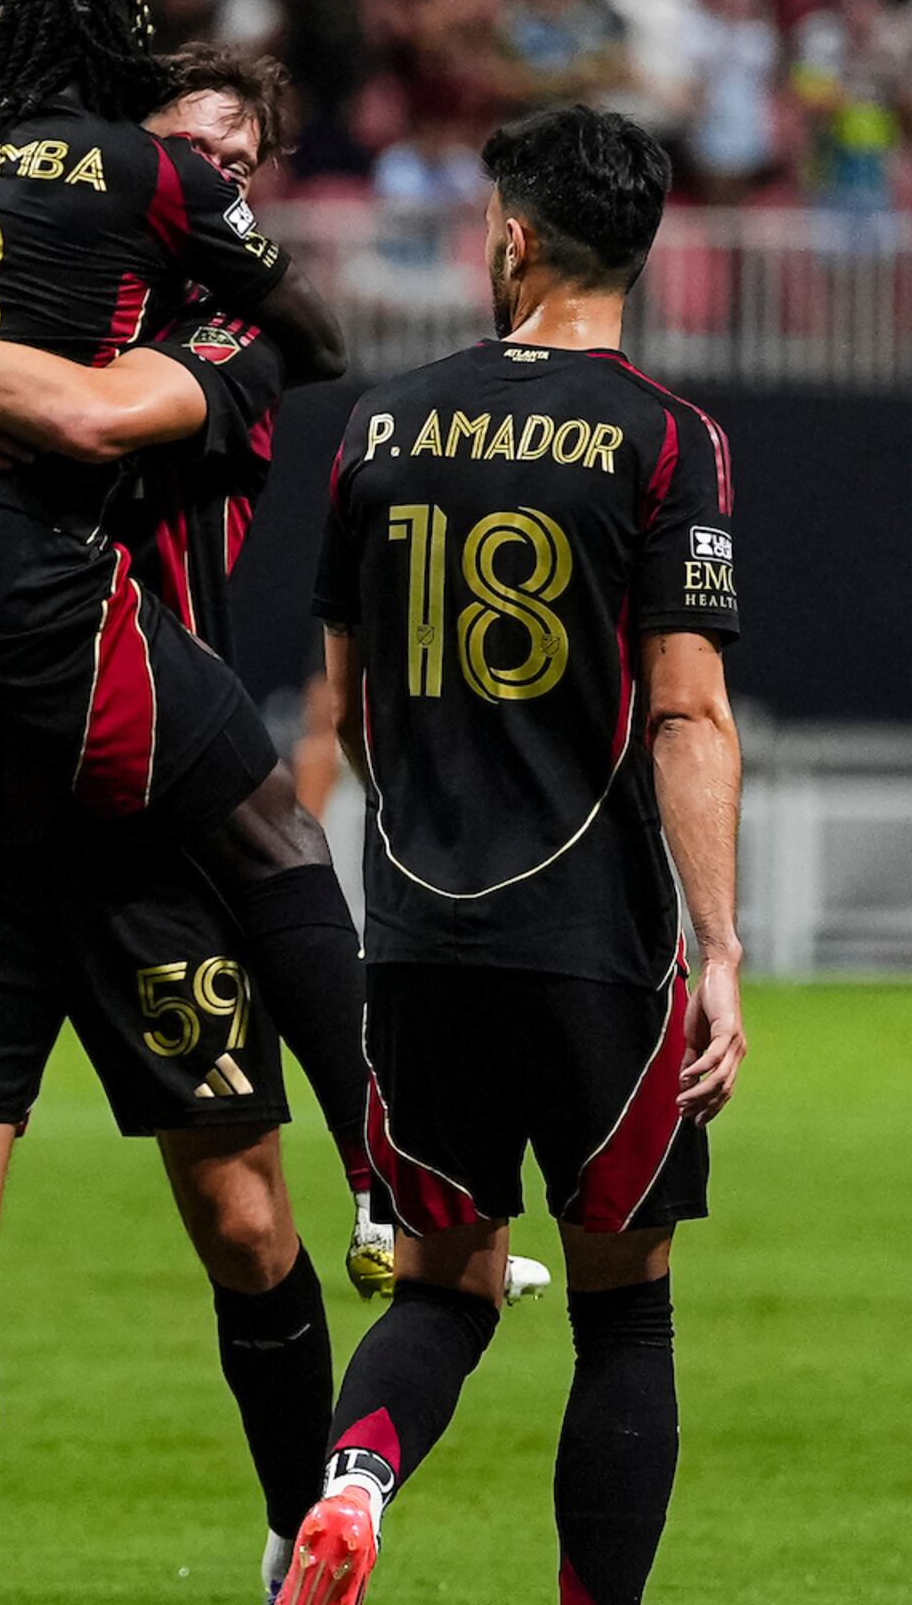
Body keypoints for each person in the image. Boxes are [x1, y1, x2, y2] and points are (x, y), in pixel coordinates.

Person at [0, 45, 491, 1594]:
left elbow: (87, 418)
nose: (215, 175)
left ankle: (297, 1538)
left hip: (151, 819)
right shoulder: (35, 293)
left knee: (234, 1212)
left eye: (239, 159)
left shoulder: (235, 329)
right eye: (187, 148)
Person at [275, 104, 749, 1605]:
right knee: (625, 1315)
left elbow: (332, 714)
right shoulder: (670, 440)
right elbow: (687, 711)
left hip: (415, 936)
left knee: (443, 1280)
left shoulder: (378, 428)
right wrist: (722, 951)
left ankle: (351, 1483)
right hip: (597, 946)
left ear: (520, 238)